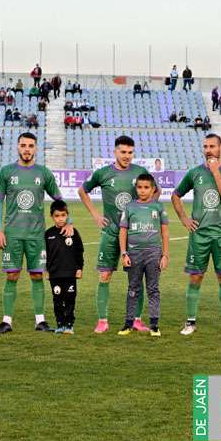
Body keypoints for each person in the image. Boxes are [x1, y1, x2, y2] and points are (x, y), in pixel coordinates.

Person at [0, 132, 69, 334]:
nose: (27, 149)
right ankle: (6, 321)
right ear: (17, 147)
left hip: (36, 235)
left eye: (31, 145)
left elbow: (58, 199)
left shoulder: (43, 173)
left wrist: (67, 221)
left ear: (36, 148)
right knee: (12, 275)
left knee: (37, 275)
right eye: (23, 145)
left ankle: (40, 321)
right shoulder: (6, 172)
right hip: (12, 234)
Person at [78, 135, 156, 334]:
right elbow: (82, 191)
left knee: (137, 278)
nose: (127, 156)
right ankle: (102, 321)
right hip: (110, 233)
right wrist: (96, 215)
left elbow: (156, 190)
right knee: (105, 275)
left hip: (135, 235)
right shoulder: (103, 173)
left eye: (130, 152)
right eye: (123, 152)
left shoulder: (140, 172)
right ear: (115, 152)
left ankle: (137, 320)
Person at [172, 134, 221, 336]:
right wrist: (184, 218)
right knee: (195, 277)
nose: (208, 149)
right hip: (199, 235)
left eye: (212, 146)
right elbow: (176, 195)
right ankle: (190, 322)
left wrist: (216, 172)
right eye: (205, 146)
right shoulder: (194, 173)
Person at [118, 173, 169, 337]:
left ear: (153, 189)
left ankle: (154, 325)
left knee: (153, 289)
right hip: (133, 254)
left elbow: (165, 233)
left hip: (154, 253)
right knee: (133, 289)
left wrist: (165, 255)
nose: (142, 190)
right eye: (139, 187)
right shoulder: (130, 207)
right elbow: (123, 232)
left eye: (146, 187)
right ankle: (128, 323)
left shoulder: (158, 207)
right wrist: (124, 253)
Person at [45, 200, 84, 335]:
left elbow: (79, 251)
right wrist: (47, 270)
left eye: (63, 215)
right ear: (52, 217)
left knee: (70, 299)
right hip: (55, 274)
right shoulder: (48, 233)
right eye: (57, 216)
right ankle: (60, 324)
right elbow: (46, 254)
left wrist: (79, 268)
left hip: (70, 273)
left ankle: (69, 325)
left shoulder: (73, 232)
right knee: (57, 300)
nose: (60, 218)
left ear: (67, 215)